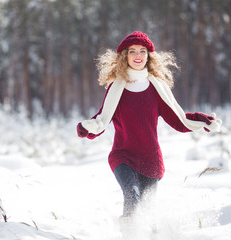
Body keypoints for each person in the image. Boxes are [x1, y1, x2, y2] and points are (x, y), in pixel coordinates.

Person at [76, 31, 221, 221]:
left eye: (142, 51)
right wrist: (88, 127)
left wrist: (202, 120)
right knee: (132, 197)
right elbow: (103, 117)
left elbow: (178, 119)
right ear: (124, 56)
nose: (138, 56)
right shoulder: (116, 87)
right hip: (123, 155)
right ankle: (129, 234)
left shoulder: (157, 87)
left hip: (150, 160)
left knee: (147, 214)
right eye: (132, 51)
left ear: (149, 56)